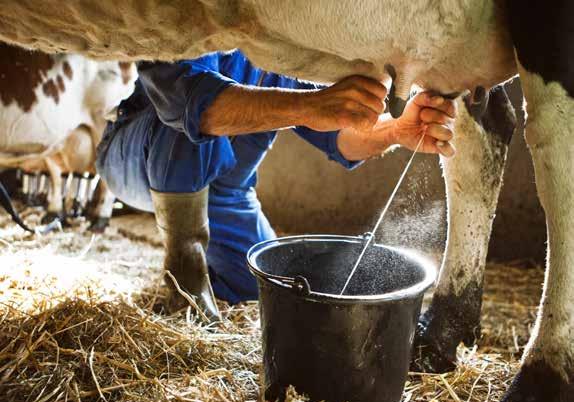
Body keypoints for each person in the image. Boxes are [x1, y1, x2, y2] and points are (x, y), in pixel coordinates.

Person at [96, 49, 457, 320]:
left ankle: (214, 273)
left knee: (267, 288)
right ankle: (184, 274)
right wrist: (312, 106)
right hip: (137, 155)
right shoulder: (196, 19)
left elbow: (341, 137)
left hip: (227, 195)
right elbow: (189, 102)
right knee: (189, 120)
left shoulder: (283, 48)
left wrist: (395, 130)